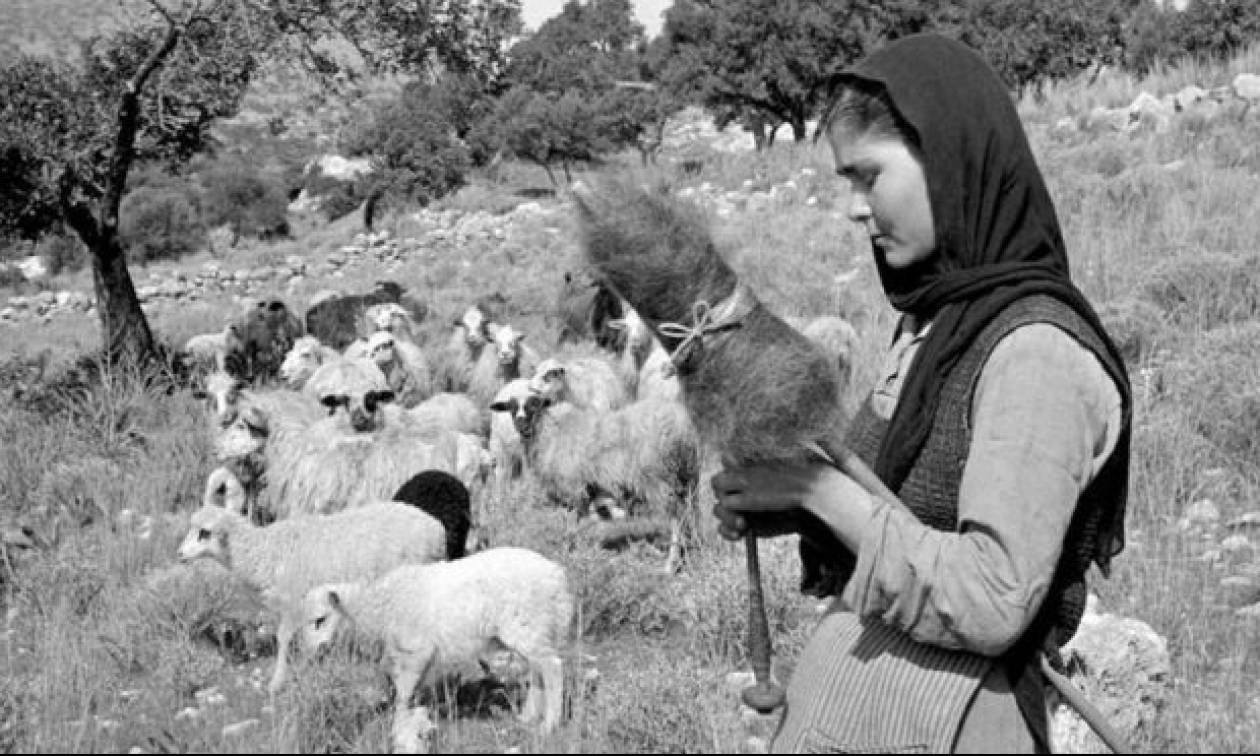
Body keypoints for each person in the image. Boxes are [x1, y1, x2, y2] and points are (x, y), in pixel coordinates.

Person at [710, 34, 1132, 754]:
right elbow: (903, 514)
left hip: (959, 724)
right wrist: (788, 506)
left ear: (948, 160)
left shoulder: (1034, 351)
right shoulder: (935, 321)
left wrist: (818, 494)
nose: (851, 207)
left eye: (867, 177)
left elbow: (994, 596)